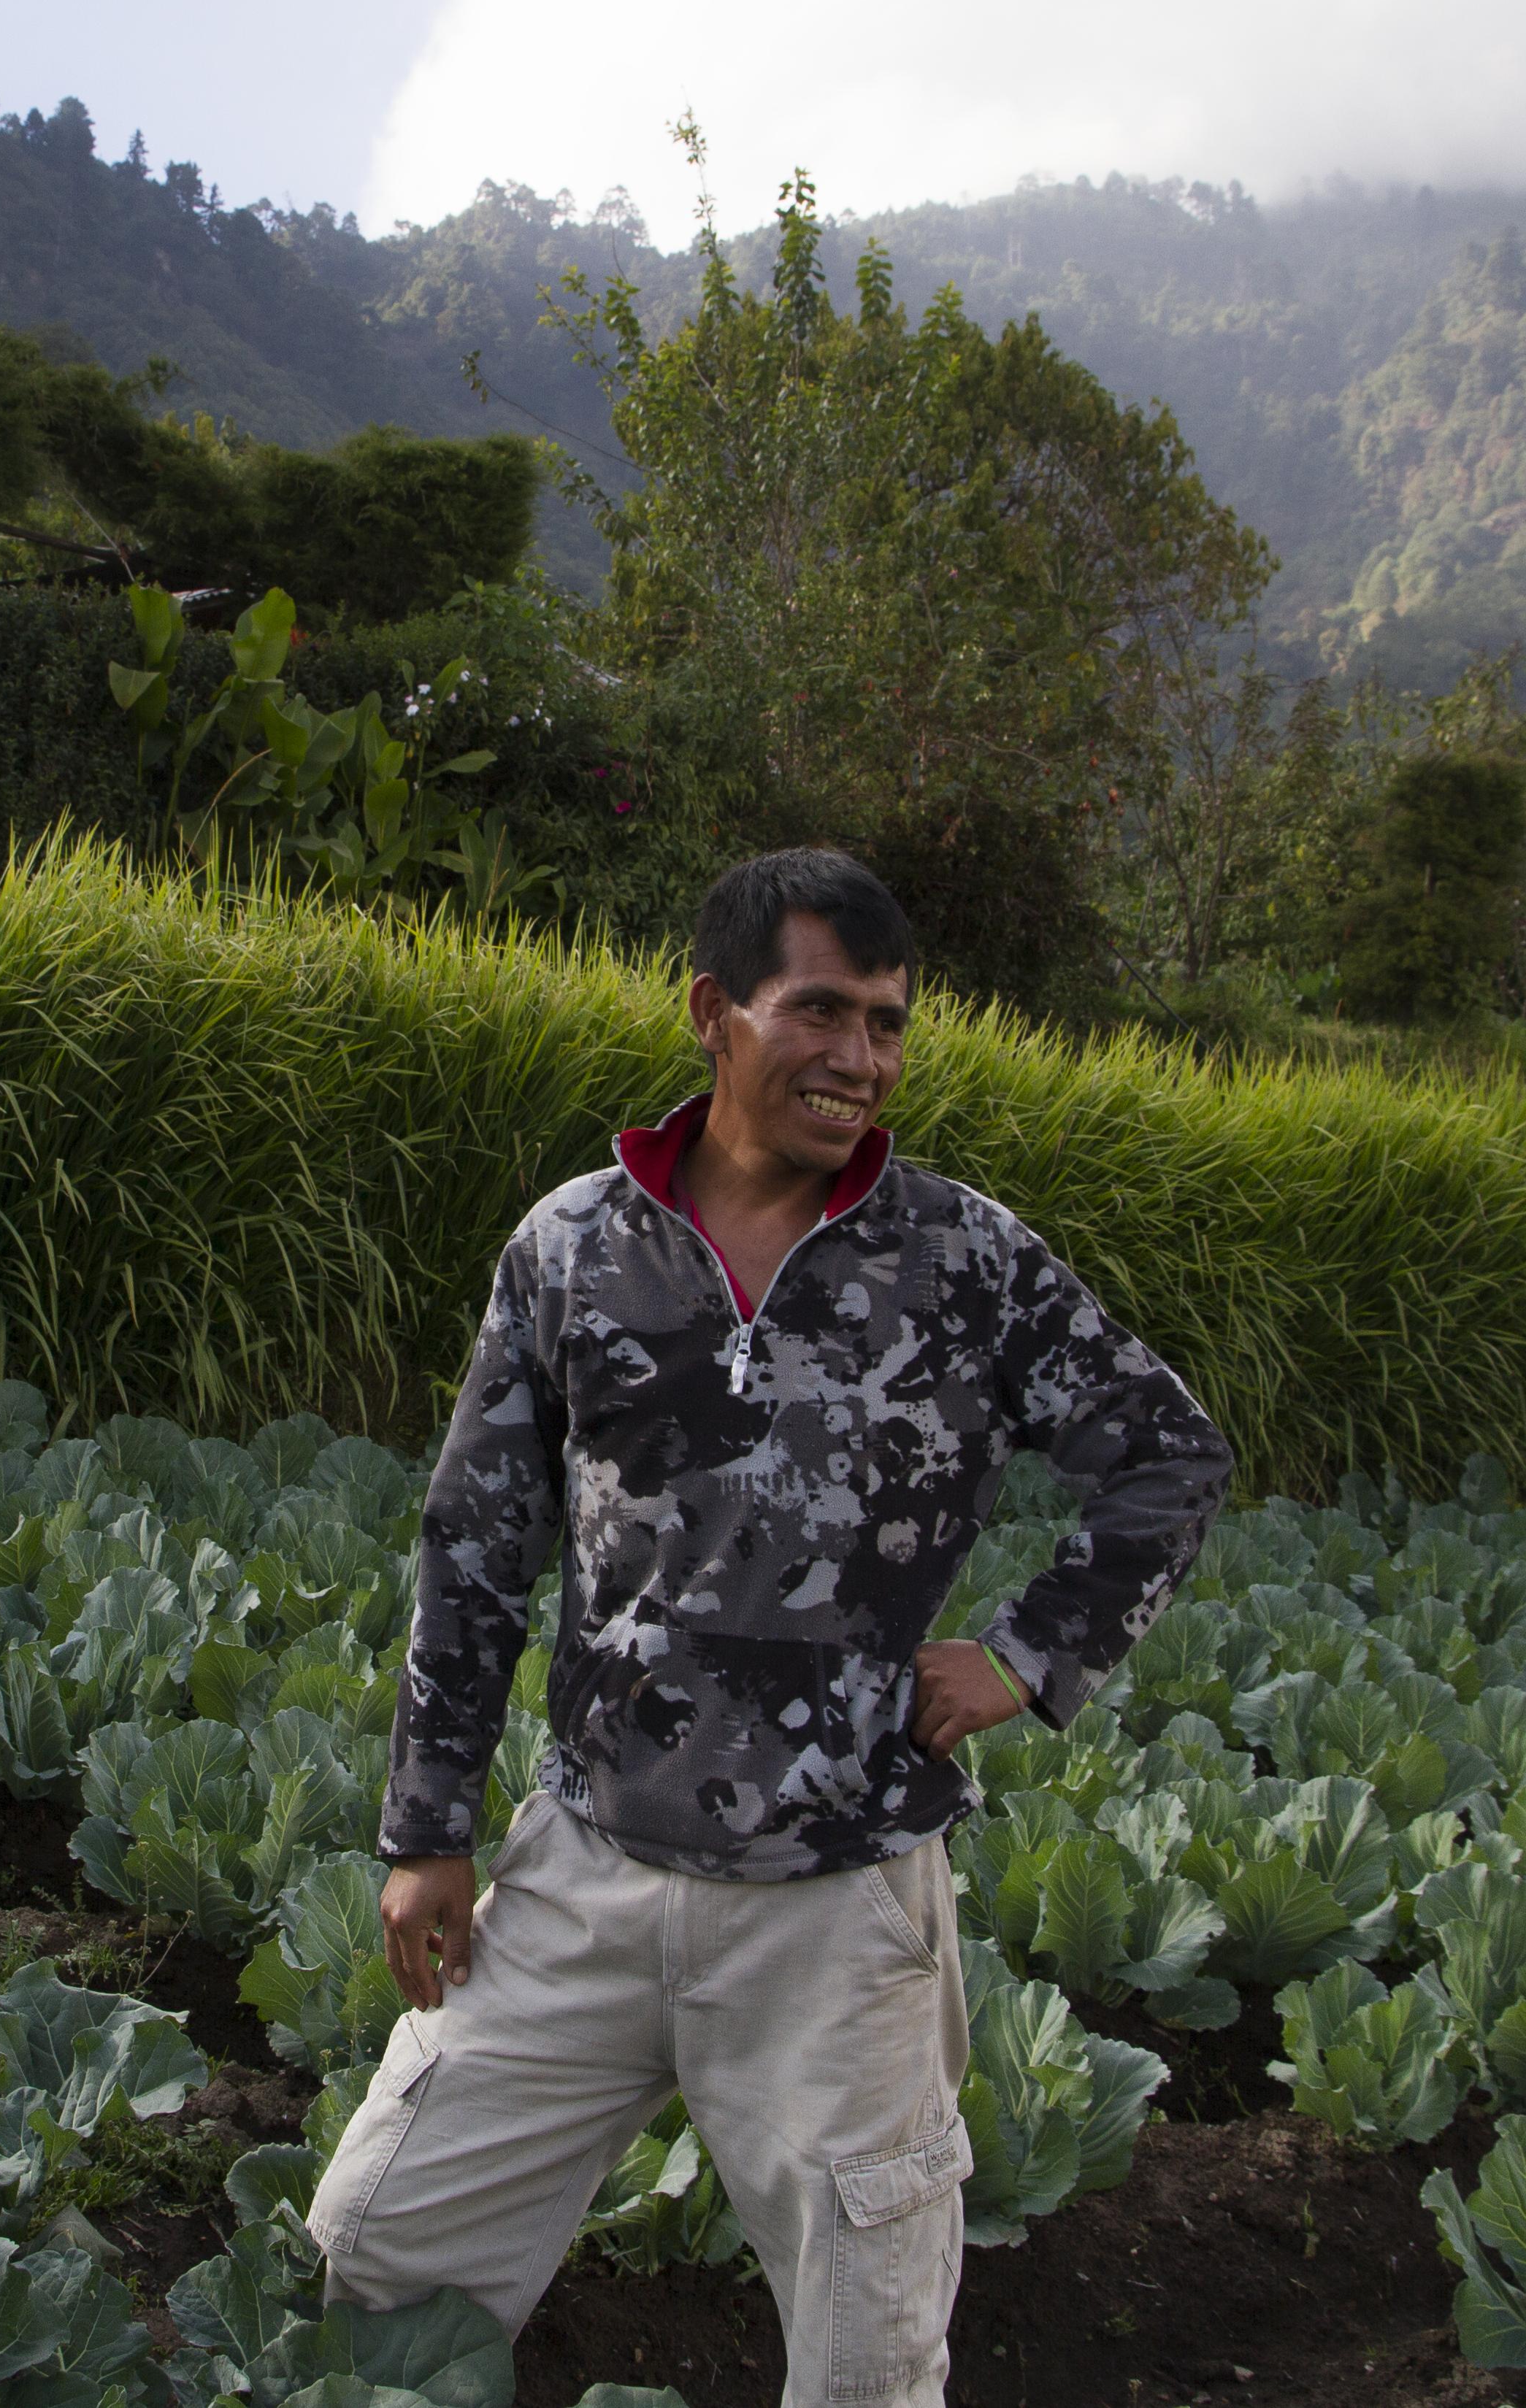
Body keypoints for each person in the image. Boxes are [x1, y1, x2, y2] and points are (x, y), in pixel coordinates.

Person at [307, 847, 1233, 2407]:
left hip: (841, 1905)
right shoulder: (573, 1248)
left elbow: (1167, 1454)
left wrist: (1025, 1655)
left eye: (884, 1024)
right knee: (373, 2264)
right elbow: (474, 1541)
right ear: (712, 1014)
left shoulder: (962, 1261)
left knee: (868, 2370)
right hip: (585, 1867)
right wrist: (426, 1828)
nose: (859, 1059)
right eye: (819, 1011)